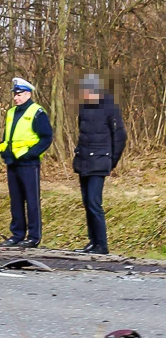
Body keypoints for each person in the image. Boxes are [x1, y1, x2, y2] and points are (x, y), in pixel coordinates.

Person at [0, 77, 53, 248]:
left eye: (19, 94)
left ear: (28, 94)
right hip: (13, 162)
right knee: (16, 200)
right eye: (14, 94)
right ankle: (17, 234)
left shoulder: (37, 112)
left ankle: (33, 237)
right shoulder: (11, 112)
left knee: (32, 200)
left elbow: (46, 138)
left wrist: (31, 154)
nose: (16, 98)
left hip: (29, 163)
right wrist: (4, 151)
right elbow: (8, 136)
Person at [72, 74, 126, 255]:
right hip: (84, 161)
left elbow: (119, 136)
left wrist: (111, 161)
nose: (83, 94)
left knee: (95, 203)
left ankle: (102, 245)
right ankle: (92, 242)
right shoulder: (84, 108)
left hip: (100, 161)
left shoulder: (109, 106)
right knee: (87, 202)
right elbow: (82, 132)